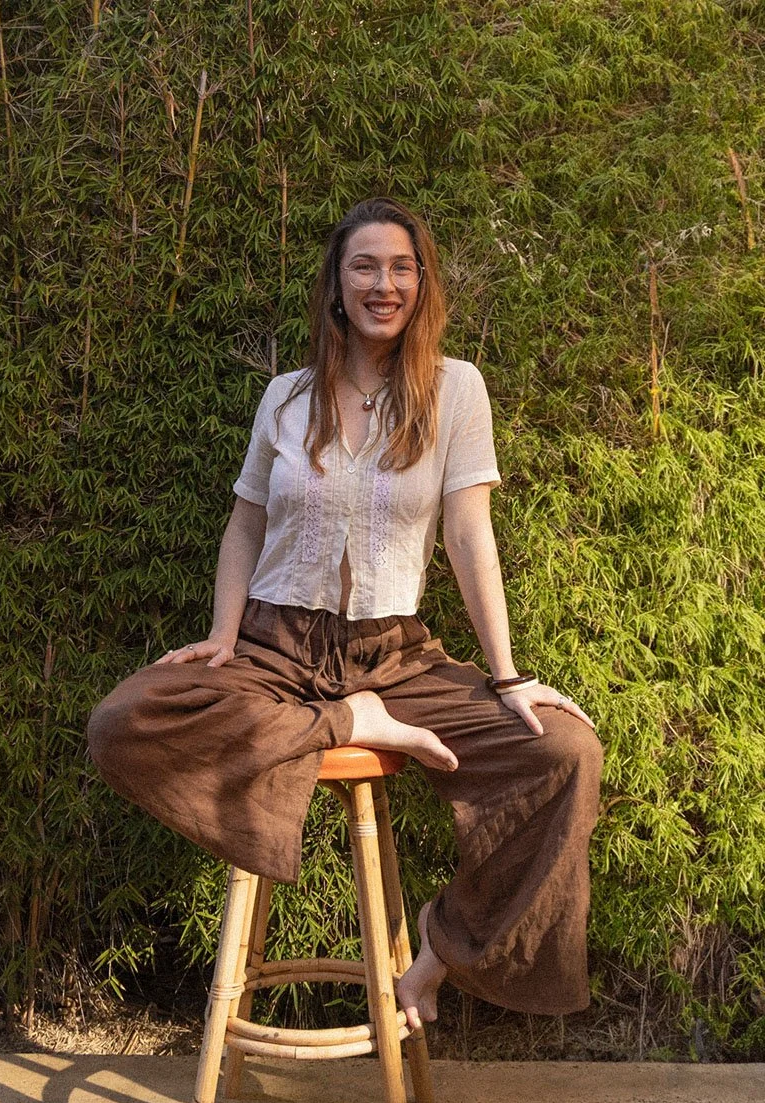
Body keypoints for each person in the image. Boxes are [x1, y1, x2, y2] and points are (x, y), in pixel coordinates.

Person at [88, 197, 603, 1031]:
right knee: (124, 719)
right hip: (275, 646)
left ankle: (438, 954)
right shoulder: (286, 398)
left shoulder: (456, 390)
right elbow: (245, 523)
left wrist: (507, 676)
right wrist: (222, 636)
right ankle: (349, 721)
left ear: (422, 283)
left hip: (396, 656)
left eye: (401, 267)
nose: (382, 284)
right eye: (364, 266)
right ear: (336, 283)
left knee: (566, 752)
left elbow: (469, 534)